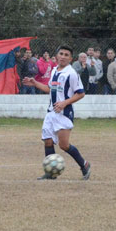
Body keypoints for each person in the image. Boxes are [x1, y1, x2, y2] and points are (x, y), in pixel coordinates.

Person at [22, 45, 91, 180]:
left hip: (64, 113)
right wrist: (35, 83)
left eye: (66, 55)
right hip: (51, 112)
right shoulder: (54, 71)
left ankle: (84, 165)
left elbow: (81, 94)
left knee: (64, 145)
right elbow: (50, 89)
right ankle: (51, 173)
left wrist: (64, 103)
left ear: (71, 59)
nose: (63, 57)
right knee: (47, 142)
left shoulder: (71, 74)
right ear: (57, 56)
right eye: (61, 54)